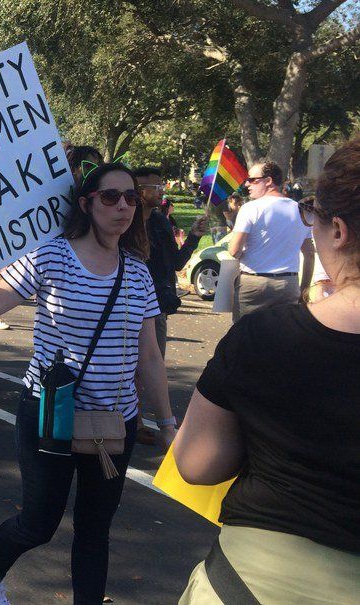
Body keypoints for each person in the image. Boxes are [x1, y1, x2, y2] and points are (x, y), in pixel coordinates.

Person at [0, 162, 177, 605]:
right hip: (50, 412)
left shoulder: (137, 272)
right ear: (86, 202)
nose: (123, 206)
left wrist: (168, 421)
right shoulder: (51, 253)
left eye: (131, 198)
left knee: (95, 529)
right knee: (39, 523)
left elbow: (150, 357)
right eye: (110, 197)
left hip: (116, 422)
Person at [174, 137, 360, 605]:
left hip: (257, 581)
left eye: (313, 213)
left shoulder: (262, 340)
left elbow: (197, 464)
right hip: (285, 286)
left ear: (338, 229)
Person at [229, 160, 314, 322]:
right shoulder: (301, 211)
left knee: (245, 337)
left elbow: (234, 251)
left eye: (253, 180)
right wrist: (304, 289)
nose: (247, 184)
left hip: (254, 283)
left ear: (269, 181)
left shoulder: (250, 208)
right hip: (288, 284)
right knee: (281, 339)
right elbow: (309, 254)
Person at [135, 167, 207, 357]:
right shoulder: (122, 223)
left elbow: (176, 263)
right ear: (139, 189)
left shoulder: (161, 222)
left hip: (157, 307)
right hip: (126, 310)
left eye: (162, 185)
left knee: (154, 363)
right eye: (156, 186)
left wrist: (193, 237)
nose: (162, 190)